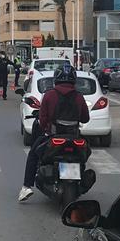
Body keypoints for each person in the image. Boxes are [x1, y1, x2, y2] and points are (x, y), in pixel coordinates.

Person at [19, 65, 89, 202]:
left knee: (33, 154)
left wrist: (45, 129)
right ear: (74, 80)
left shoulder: (49, 95)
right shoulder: (79, 97)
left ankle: (27, 187)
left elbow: (43, 119)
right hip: (75, 137)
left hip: (53, 137)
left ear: (56, 79)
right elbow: (85, 118)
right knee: (85, 154)